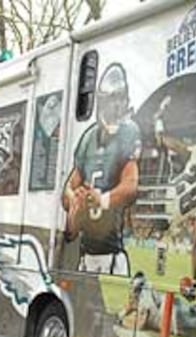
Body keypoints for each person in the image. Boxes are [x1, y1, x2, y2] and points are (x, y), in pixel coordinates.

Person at [62, 62, 142, 276]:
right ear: (102, 101)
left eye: (120, 100)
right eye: (112, 100)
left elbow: (130, 186)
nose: (116, 107)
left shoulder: (129, 131)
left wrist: (102, 199)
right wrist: (74, 200)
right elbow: (68, 189)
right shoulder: (88, 137)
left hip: (112, 255)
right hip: (86, 255)